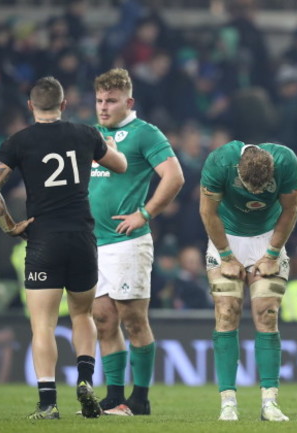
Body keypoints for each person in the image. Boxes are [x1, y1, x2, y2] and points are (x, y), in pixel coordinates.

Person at [0, 76, 127, 419]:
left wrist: (10, 227)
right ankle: (86, 381)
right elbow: (120, 165)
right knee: (82, 314)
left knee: (43, 325)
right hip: (82, 238)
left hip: (43, 239)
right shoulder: (85, 134)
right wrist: (109, 145)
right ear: (63, 105)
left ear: (30, 106)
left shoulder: (18, 142)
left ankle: (48, 403)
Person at [89, 68, 184, 416]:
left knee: (133, 319)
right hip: (92, 241)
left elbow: (174, 177)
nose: (103, 107)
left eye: (111, 101)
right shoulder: (94, 134)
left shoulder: (145, 133)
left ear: (128, 101)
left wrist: (144, 213)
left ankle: (140, 398)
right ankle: (115, 396)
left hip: (127, 240)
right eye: (99, 100)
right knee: (102, 317)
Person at [199, 140, 297, 422]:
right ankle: (228, 403)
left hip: (266, 237)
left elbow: (291, 210)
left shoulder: (288, 162)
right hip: (227, 236)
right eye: (249, 186)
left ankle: (270, 403)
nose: (255, 193)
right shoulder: (219, 162)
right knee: (226, 312)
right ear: (238, 172)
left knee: (267, 314)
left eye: (262, 187)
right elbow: (208, 212)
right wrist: (226, 256)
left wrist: (271, 253)